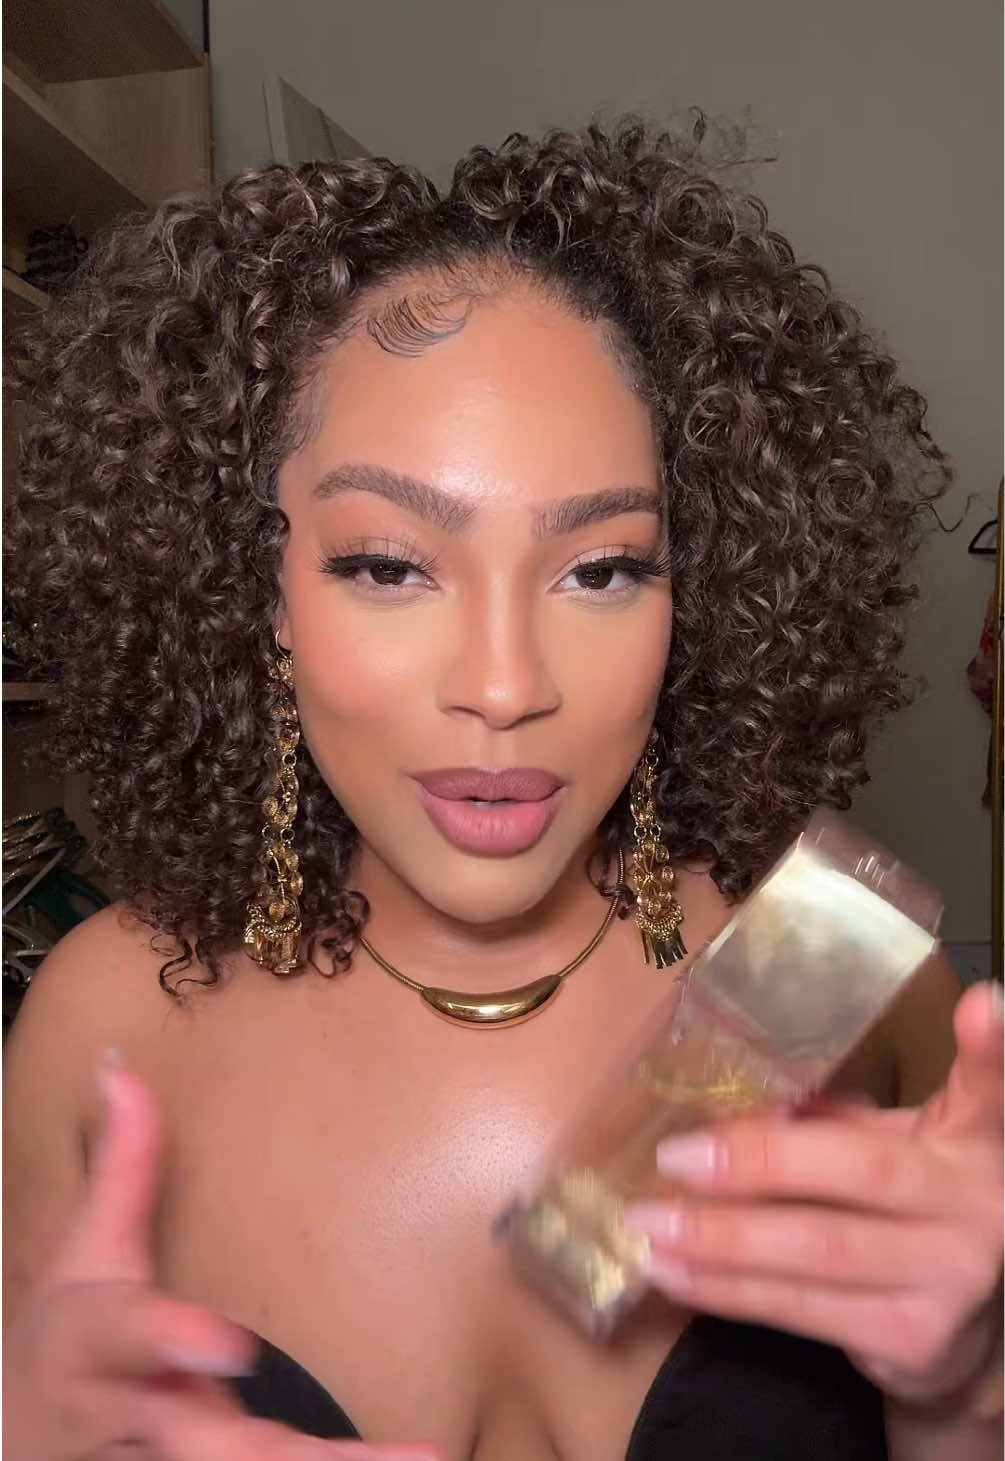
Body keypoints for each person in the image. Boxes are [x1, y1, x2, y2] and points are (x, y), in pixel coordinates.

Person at [3, 117, 1001, 1461]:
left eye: (601, 569)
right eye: (386, 565)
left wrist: (968, 1395)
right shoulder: (111, 1021)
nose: (503, 684)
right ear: (259, 592)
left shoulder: (827, 970)